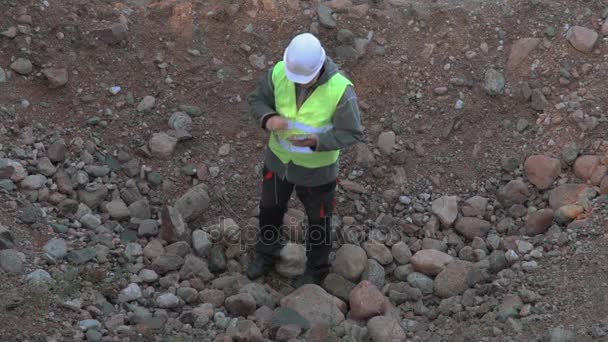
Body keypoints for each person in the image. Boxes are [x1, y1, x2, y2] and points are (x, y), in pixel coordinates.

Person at [246, 32, 363, 287]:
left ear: (319, 67)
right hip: (278, 163)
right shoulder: (279, 72)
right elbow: (257, 100)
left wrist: (317, 142)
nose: (299, 83)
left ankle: (317, 269)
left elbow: (352, 132)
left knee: (318, 220)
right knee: (270, 210)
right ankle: (266, 254)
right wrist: (267, 118)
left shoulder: (340, 90)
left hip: (317, 173)